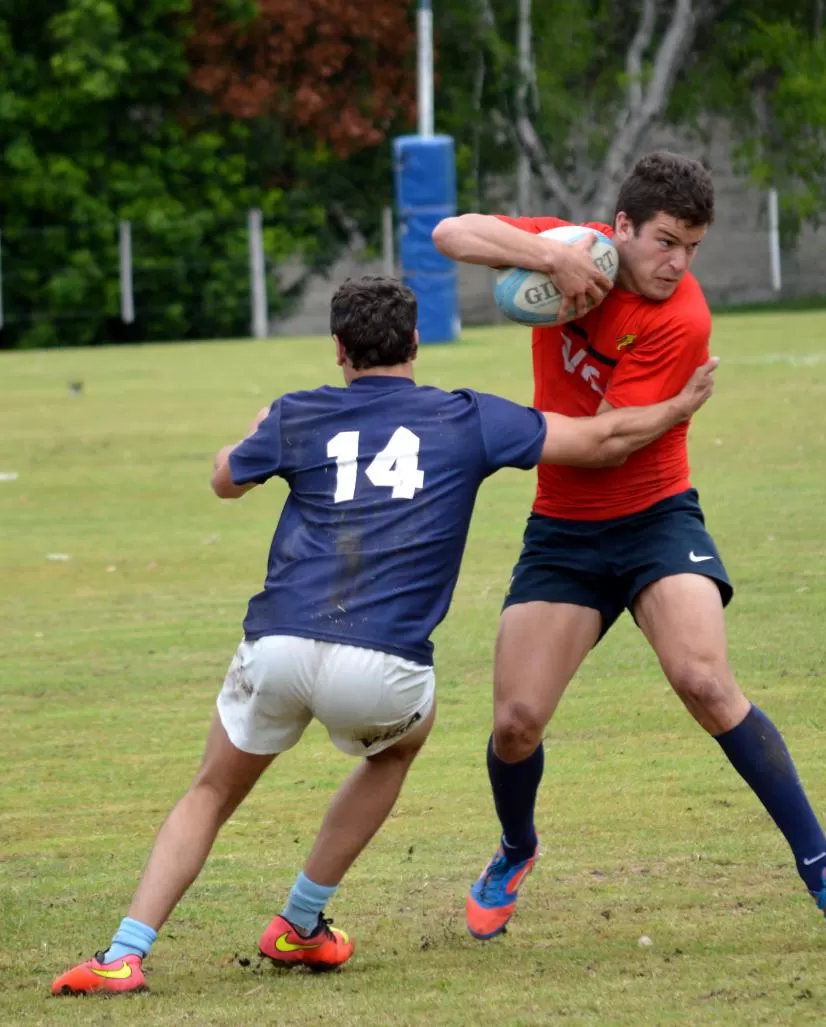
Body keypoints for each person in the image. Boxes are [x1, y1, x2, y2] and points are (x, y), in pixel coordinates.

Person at [51, 275, 719, 996]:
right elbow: (602, 438)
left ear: (338, 349)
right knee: (399, 742)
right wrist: (678, 406)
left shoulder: (296, 413)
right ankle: (301, 922)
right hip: (381, 667)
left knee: (211, 790)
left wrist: (253, 432)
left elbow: (223, 480)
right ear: (417, 343)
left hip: (277, 644)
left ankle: (124, 952)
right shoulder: (467, 417)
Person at [432, 150, 826, 952]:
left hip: (655, 517)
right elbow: (450, 231)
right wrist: (548, 255)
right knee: (515, 723)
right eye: (667, 242)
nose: (680, 263)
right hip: (563, 533)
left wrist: (669, 407)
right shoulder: (578, 248)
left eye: (694, 248)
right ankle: (516, 849)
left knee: (706, 681)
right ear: (623, 226)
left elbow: (606, 443)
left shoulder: (683, 319)